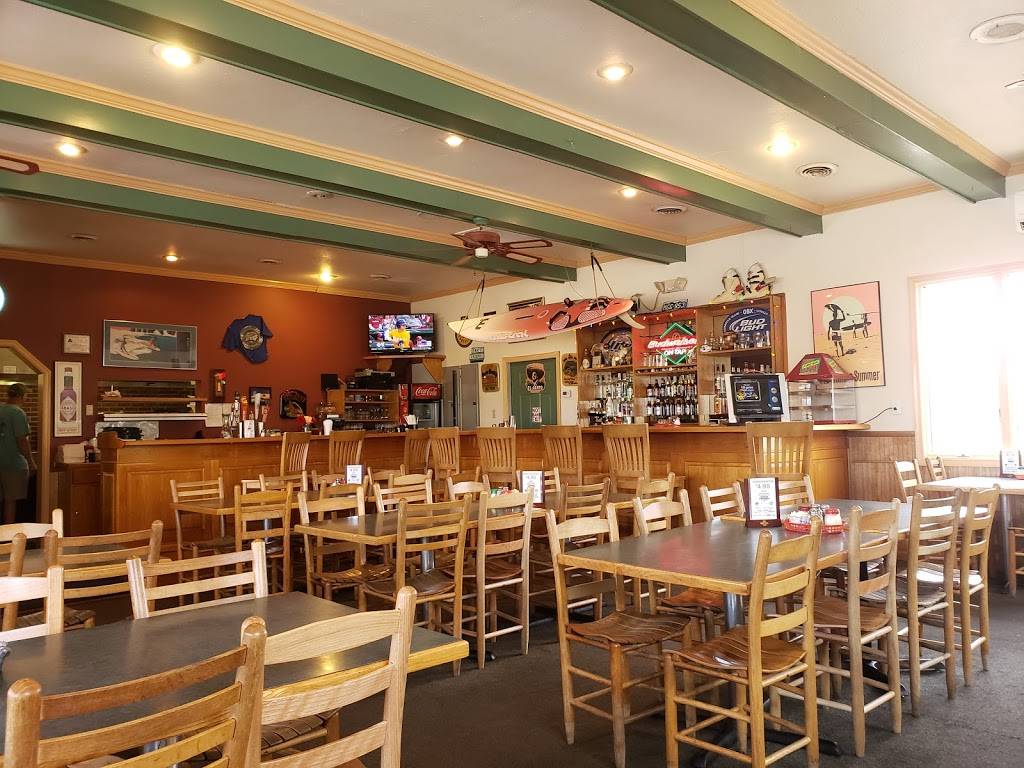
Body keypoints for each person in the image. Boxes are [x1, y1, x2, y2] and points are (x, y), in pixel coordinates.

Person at [0, 383, 36, 524]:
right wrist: (31, 462)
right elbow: (22, 440)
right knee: (10, 501)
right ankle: (9, 535)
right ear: (23, 396)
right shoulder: (17, 413)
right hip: (13, 464)